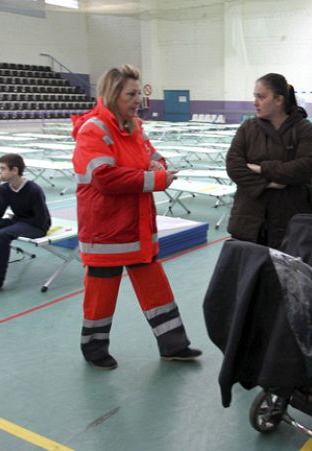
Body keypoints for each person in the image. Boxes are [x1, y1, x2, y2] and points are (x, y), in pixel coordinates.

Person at [72, 64, 200, 370]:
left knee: (157, 289)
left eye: (139, 94)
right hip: (106, 232)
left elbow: (154, 157)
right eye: (131, 94)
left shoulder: (135, 128)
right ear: (113, 94)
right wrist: (155, 178)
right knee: (101, 297)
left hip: (137, 228)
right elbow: (105, 178)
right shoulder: (94, 131)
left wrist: (159, 166)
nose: (138, 100)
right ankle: (94, 349)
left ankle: (174, 345)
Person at [225, 72, 312, 250]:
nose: (255, 102)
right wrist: (269, 183)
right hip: (249, 220)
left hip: (289, 218)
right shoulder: (248, 128)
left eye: (261, 97)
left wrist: (263, 169)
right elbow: (234, 167)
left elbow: (306, 168)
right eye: (255, 96)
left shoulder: (303, 129)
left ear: (278, 100)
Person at [0, 153, 51, 294]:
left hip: (37, 226)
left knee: (3, 234)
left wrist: (16, 223)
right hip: (19, 221)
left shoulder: (33, 190)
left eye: (3, 169)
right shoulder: (5, 188)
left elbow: (41, 220)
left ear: (14, 170)